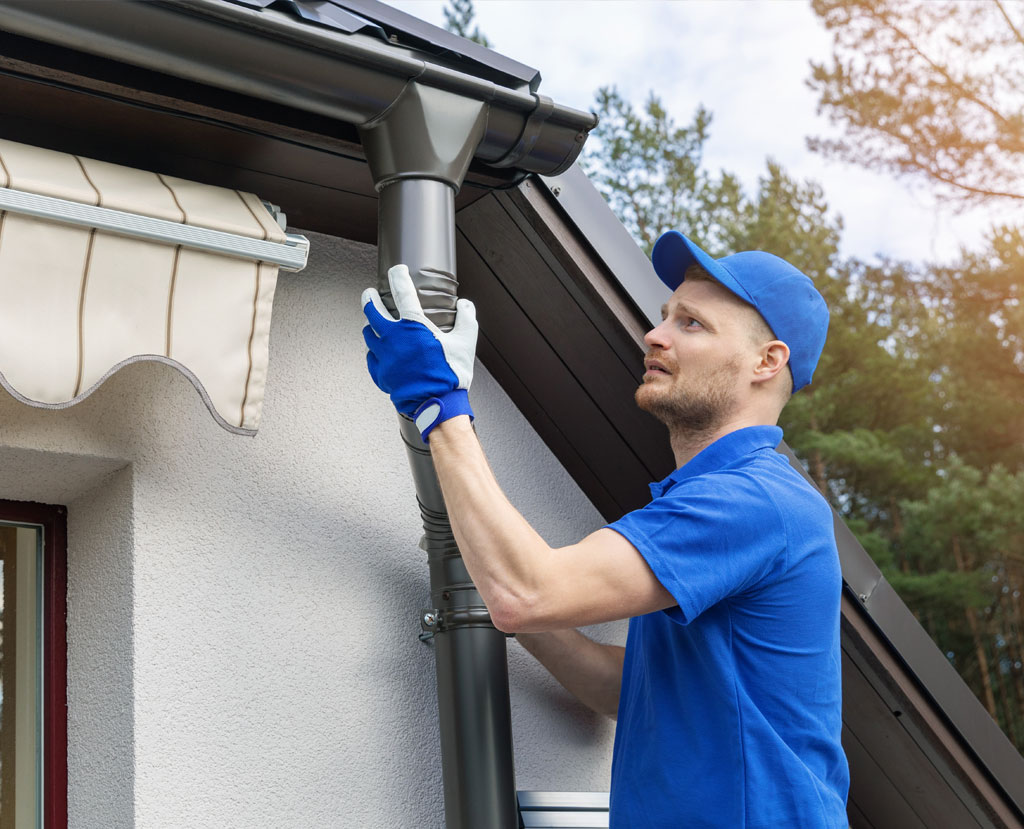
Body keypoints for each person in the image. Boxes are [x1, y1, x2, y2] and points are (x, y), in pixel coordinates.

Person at [361, 229, 850, 828]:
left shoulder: (751, 501)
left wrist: (441, 405)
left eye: (691, 324)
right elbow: (626, 692)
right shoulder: (711, 501)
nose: (655, 334)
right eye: (664, 317)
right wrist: (492, 582)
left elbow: (529, 592)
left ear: (767, 361)